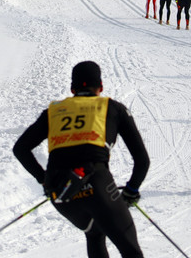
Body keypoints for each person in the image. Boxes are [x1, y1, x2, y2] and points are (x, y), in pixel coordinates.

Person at [13, 61, 150, 258]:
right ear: (100, 87)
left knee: (94, 233)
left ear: (72, 89)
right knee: (131, 252)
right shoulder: (112, 108)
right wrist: (131, 191)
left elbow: (20, 149)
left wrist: (43, 178)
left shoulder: (54, 111)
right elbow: (142, 160)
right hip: (97, 184)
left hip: (61, 192)